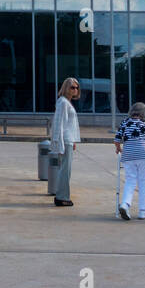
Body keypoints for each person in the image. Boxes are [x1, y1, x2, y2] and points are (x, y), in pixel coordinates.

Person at [114, 101, 145, 220]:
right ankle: (143, 211)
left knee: (130, 180)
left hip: (128, 153)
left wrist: (118, 148)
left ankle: (125, 204)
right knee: (144, 181)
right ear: (144, 113)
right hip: (143, 154)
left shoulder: (124, 122)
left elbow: (117, 138)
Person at [49, 77, 81, 207]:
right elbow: (59, 124)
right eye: (72, 87)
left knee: (66, 170)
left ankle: (62, 195)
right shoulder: (63, 102)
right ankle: (62, 197)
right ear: (66, 88)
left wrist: (73, 140)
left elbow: (68, 125)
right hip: (65, 140)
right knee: (64, 170)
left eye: (76, 87)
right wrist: (59, 143)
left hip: (68, 140)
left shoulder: (66, 102)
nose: (75, 90)